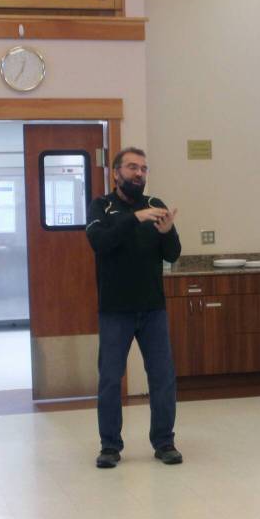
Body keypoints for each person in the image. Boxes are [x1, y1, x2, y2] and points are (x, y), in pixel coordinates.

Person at [85, 147, 183, 469]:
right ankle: (110, 446)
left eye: (143, 168)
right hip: (115, 310)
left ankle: (164, 441)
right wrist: (134, 218)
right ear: (116, 173)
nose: (139, 174)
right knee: (111, 379)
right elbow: (100, 242)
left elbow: (172, 254)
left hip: (152, 309)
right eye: (131, 167)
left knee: (163, 377)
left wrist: (167, 232)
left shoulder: (155, 206)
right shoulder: (101, 206)